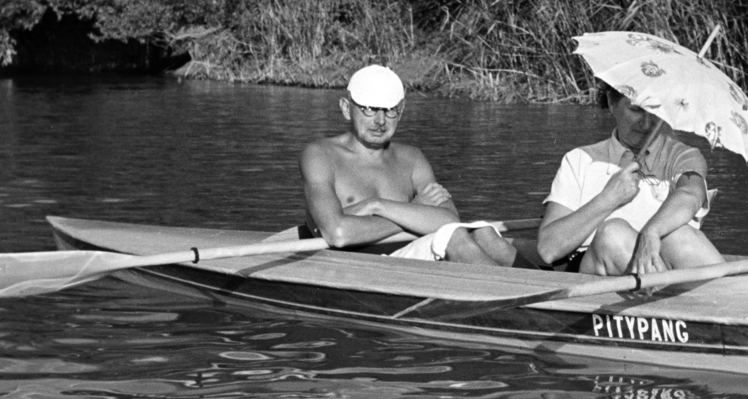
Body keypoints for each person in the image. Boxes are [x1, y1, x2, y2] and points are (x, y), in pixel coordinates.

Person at [300, 65, 516, 266]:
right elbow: (337, 233)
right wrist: (414, 211)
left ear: (400, 111)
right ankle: (518, 298)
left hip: (408, 262)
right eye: (369, 109)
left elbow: (448, 219)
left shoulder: (412, 157)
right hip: (357, 266)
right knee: (454, 237)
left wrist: (376, 206)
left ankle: (537, 295)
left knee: (484, 232)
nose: (380, 121)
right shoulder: (320, 154)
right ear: (347, 108)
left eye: (389, 110)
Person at [537, 82, 725, 276]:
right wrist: (609, 198)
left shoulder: (685, 156)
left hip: (661, 262)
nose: (646, 124)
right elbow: (548, 249)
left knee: (680, 235)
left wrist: (650, 232)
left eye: (656, 111)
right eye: (636, 109)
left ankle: (726, 296)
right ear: (611, 102)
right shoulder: (579, 160)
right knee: (612, 234)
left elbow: (690, 194)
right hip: (595, 267)